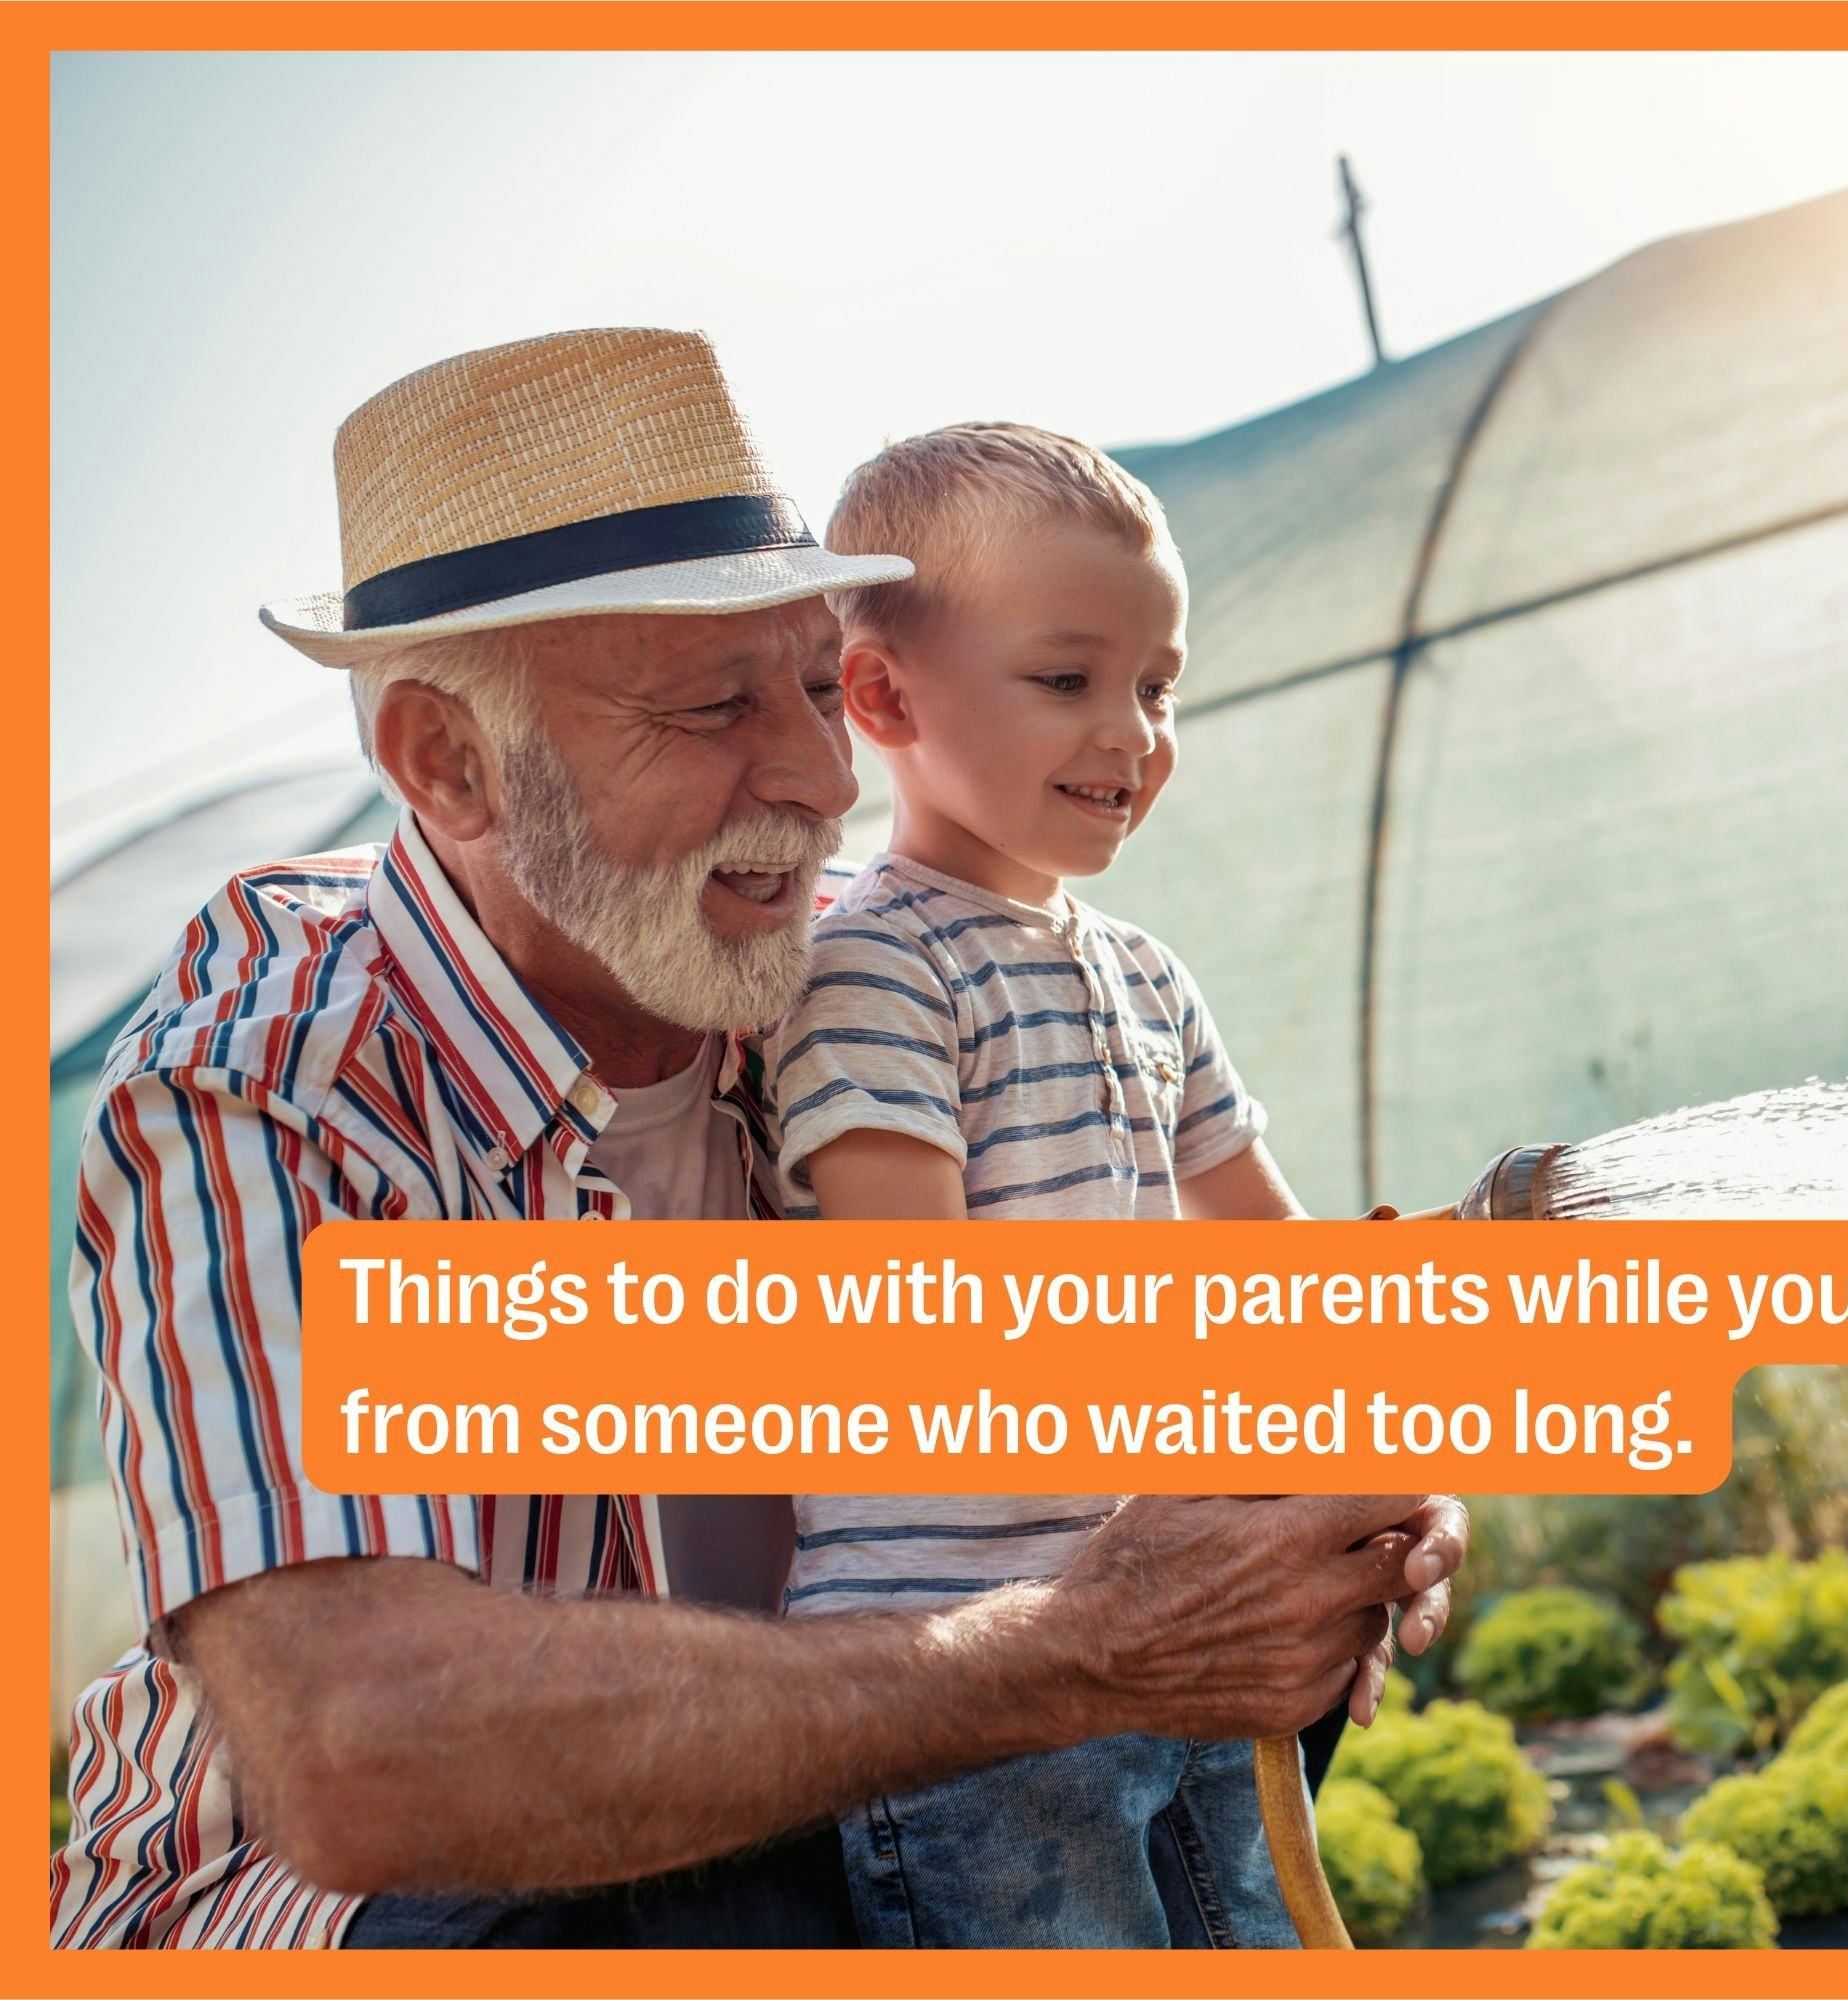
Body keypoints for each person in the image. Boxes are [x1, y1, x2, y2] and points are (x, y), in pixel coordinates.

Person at [51, 329, 1465, 1949]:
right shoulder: (270, 1081)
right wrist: (1082, 1640)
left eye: (811, 682)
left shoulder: (831, 987)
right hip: (346, 1905)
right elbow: (367, 1757)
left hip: (850, 1787)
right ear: (450, 763)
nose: (815, 775)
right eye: (712, 706)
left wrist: (1340, 1477)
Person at [755, 422, 1323, 1946]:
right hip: (973, 1697)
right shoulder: (876, 963)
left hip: (1176, 1635)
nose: (1131, 735)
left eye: (1158, 687)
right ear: (882, 695)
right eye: (1067, 682)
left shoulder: (1148, 976)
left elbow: (1275, 1261)